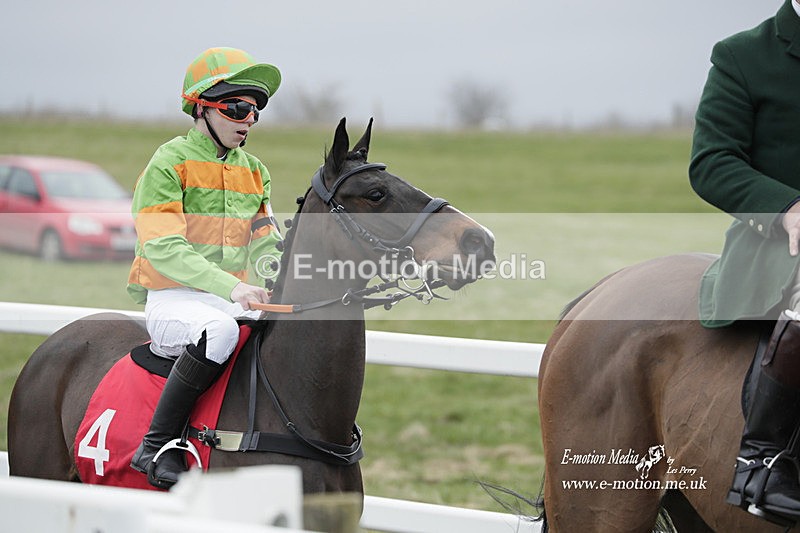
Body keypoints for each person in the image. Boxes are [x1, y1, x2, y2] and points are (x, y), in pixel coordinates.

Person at [126, 47, 283, 489]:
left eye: (256, 110)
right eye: (238, 107)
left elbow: (266, 238)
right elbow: (164, 248)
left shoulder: (255, 171)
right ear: (203, 107)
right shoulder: (167, 162)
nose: (248, 119)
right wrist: (233, 288)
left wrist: (287, 271)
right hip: (172, 299)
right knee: (221, 332)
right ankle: (155, 447)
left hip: (223, 297)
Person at [690, 0, 800, 524]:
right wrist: (788, 209)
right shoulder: (743, 55)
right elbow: (712, 161)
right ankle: (762, 460)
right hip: (780, 245)